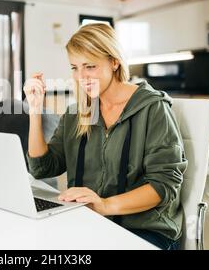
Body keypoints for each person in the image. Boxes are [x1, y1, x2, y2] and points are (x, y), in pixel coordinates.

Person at [23, 23, 187, 250]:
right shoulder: (77, 113)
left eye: (90, 66)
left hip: (146, 230)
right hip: (88, 223)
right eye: (74, 67)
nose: (81, 77)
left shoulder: (153, 108)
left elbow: (164, 186)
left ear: (114, 61)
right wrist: (35, 110)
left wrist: (103, 205)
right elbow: (43, 168)